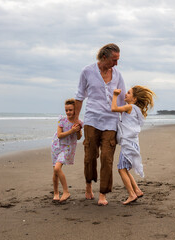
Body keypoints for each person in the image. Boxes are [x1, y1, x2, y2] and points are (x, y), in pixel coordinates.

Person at [74, 43, 126, 206]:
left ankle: (103, 193)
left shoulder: (117, 75)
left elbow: (123, 99)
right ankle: (88, 184)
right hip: (92, 120)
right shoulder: (87, 71)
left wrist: (128, 121)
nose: (116, 63)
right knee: (90, 155)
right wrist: (75, 119)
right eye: (114, 60)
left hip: (111, 121)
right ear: (104, 57)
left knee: (106, 157)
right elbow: (79, 96)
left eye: (118, 60)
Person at [111, 86, 155, 205]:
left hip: (129, 145)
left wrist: (115, 95)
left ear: (134, 99)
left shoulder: (130, 107)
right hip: (133, 143)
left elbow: (113, 108)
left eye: (128, 93)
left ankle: (131, 194)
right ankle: (137, 190)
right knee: (124, 169)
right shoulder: (136, 109)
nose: (126, 94)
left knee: (121, 169)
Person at [51, 98, 83, 202]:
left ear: (75, 110)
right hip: (57, 146)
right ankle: (56, 193)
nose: (68, 112)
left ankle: (66, 191)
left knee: (57, 168)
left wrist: (77, 130)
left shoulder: (79, 122)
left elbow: (78, 137)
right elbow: (60, 135)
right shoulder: (62, 120)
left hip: (67, 148)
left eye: (70, 110)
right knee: (55, 171)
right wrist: (71, 130)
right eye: (66, 110)